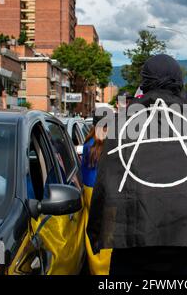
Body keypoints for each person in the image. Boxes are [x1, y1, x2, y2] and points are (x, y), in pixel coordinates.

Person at [87, 54, 187, 275]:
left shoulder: (124, 121)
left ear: (144, 82)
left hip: (131, 243)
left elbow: (106, 184)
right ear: (178, 81)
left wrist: (97, 231)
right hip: (181, 242)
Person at [81, 111, 112, 275]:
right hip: (108, 195)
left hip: (90, 194)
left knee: (93, 232)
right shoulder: (114, 146)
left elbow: (83, 173)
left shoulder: (88, 145)